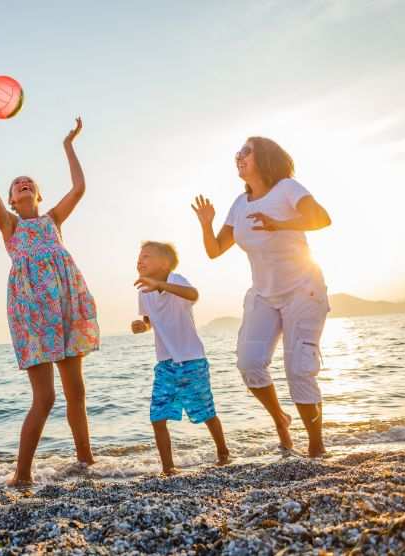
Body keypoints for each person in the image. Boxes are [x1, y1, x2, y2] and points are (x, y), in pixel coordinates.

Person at [0, 92, 99, 486]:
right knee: (45, 398)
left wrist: (68, 146)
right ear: (11, 199)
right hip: (32, 314)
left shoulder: (53, 220)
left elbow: (79, 186)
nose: (23, 185)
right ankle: (21, 474)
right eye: (17, 185)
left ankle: (86, 463)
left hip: (66, 306)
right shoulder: (10, 226)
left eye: (30, 183)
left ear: (38, 195)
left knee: (76, 392)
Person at [192, 137, 332, 458]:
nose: (238, 155)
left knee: (299, 369)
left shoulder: (287, 188)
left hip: (303, 290)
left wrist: (280, 224)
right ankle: (281, 421)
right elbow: (214, 250)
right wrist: (206, 224)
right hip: (264, 296)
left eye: (246, 151)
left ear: (264, 158)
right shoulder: (239, 204)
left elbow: (322, 218)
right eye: (238, 151)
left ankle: (316, 446)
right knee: (249, 364)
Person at [131, 241, 230, 475]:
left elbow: (193, 294)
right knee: (158, 416)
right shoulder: (143, 292)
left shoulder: (176, 280)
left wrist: (160, 284)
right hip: (165, 363)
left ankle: (223, 453)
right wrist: (141, 326)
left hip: (192, 359)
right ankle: (168, 468)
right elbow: (149, 320)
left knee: (206, 411)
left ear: (164, 263)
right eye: (139, 256)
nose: (140, 260)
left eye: (146, 256)